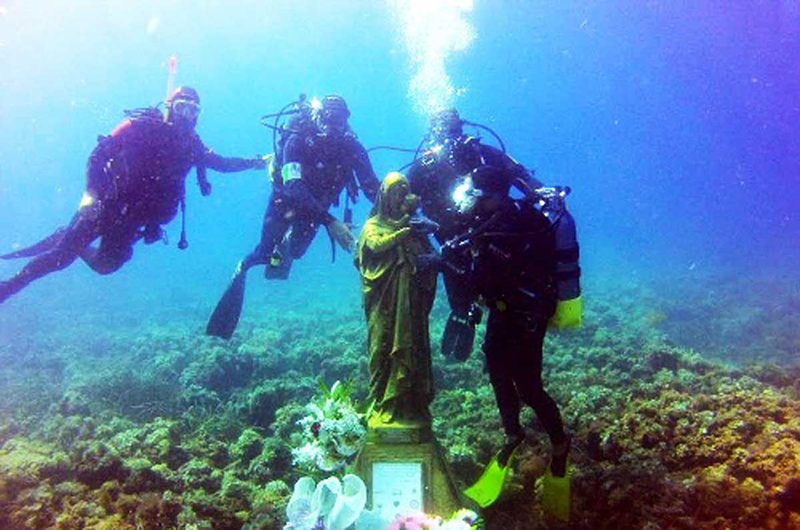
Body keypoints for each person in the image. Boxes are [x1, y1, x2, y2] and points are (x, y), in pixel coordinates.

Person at [0, 86, 265, 304]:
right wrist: (90, 196)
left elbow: (222, 163)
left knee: (105, 266)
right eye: (182, 107)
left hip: (135, 221)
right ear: (170, 107)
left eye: (194, 110)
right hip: (106, 204)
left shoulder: (192, 145)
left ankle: (65, 237)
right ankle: (8, 288)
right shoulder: (141, 126)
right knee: (60, 259)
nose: (187, 115)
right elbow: (97, 156)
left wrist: (256, 162)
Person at [206, 95, 381, 339]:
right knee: (266, 254)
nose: (333, 127)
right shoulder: (297, 139)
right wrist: (331, 222)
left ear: (346, 122)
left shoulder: (351, 147)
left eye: (340, 121)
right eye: (329, 119)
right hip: (284, 202)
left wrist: (402, 206)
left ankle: (284, 249)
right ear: (319, 117)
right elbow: (293, 186)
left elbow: (372, 187)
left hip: (316, 210)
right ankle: (244, 266)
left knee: (295, 253)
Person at [449, 165, 574, 482]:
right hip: (504, 312)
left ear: (494, 195)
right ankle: (512, 434)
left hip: (527, 316)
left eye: (476, 194)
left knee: (529, 388)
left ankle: (560, 444)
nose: (471, 200)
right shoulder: (494, 219)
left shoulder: (514, 225)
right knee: (497, 372)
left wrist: (443, 262)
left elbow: (481, 281)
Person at [406, 108, 545, 360]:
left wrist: (541, 192)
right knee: (455, 274)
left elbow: (519, 174)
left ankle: (500, 329)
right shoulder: (424, 166)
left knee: (495, 285)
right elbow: (401, 199)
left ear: (462, 129)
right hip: (447, 235)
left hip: (489, 235)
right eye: (444, 132)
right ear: (432, 136)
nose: (450, 139)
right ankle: (465, 314)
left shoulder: (481, 154)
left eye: (454, 131)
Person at [355, 172, 437, 425]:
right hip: (384, 303)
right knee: (382, 347)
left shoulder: (416, 226)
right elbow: (377, 246)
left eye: (404, 192)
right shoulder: (373, 226)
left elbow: (433, 256)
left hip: (411, 303)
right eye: (395, 192)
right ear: (384, 196)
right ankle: (383, 402)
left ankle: (412, 405)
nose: (400, 197)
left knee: (414, 347)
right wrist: (404, 226)